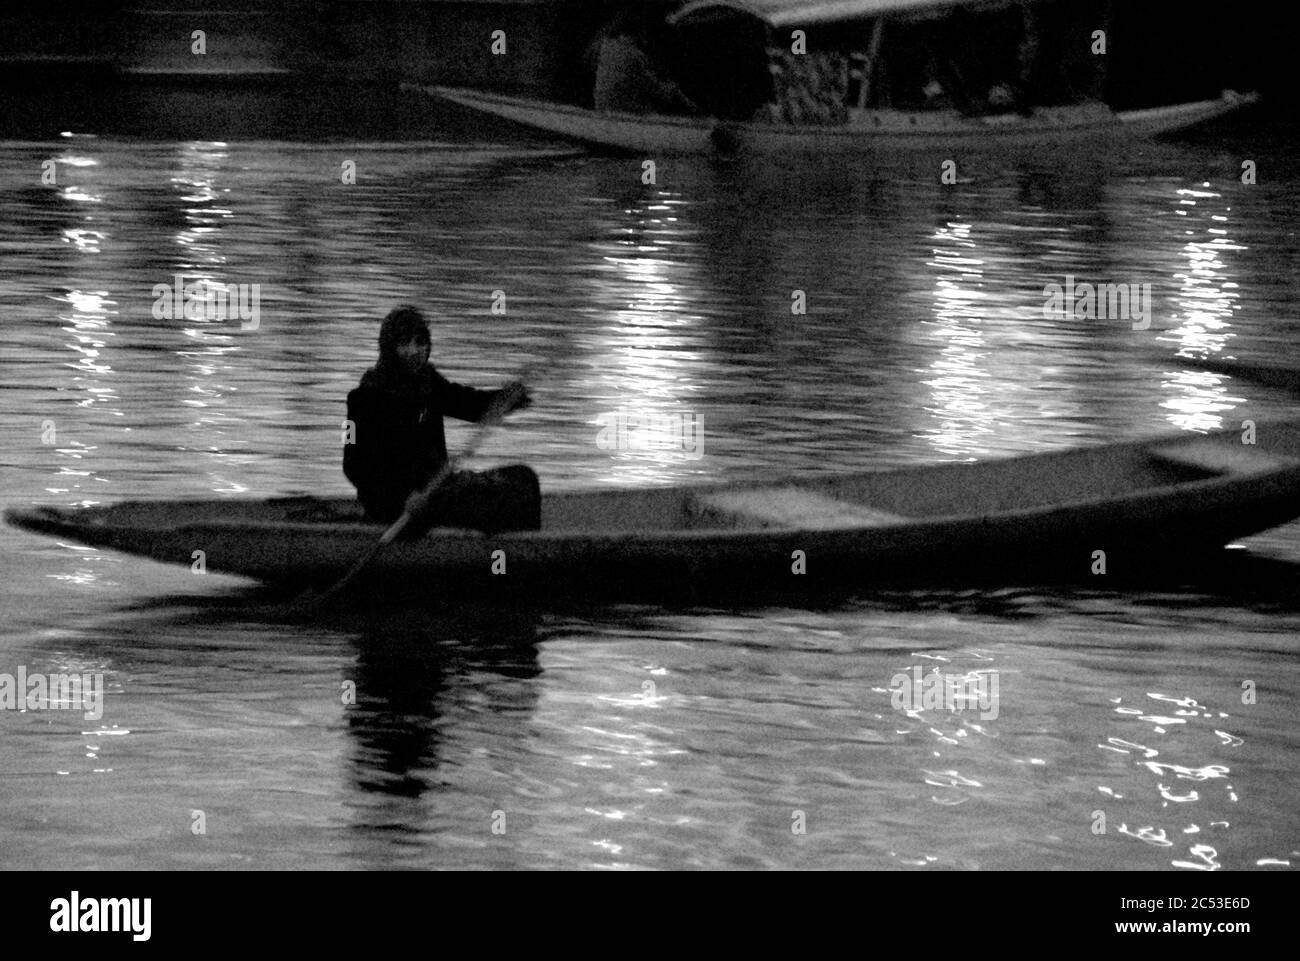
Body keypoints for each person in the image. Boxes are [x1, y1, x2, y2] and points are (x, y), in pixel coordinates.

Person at [343, 306, 537, 533]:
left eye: (420, 342)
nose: (414, 351)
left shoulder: (429, 384)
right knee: (492, 500)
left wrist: (507, 399)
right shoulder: (362, 400)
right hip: (397, 508)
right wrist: (402, 498)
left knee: (523, 477)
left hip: (436, 492)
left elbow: (469, 404)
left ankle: (520, 546)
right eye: (404, 343)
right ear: (389, 348)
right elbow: (354, 466)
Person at [592, 10, 698, 115]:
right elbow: (659, 90)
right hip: (625, 113)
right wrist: (682, 97)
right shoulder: (635, 56)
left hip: (602, 108)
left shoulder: (607, 46)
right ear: (640, 32)